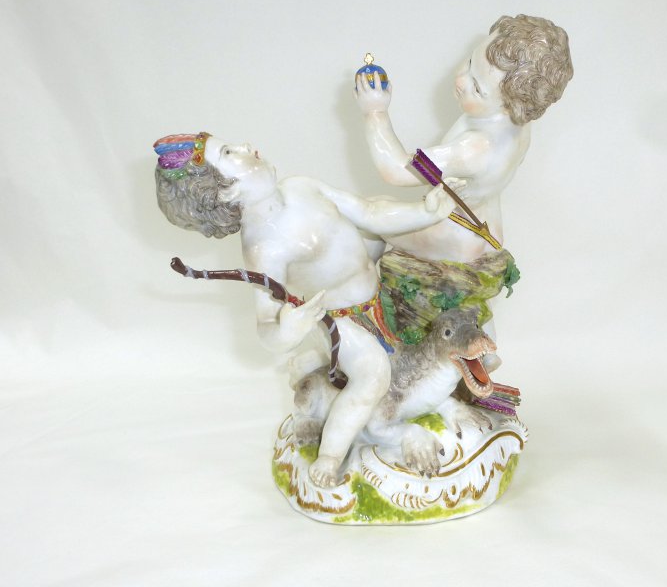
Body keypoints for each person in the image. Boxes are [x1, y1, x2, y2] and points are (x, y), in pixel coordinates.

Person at [154, 132, 460, 487]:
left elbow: (369, 212)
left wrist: (425, 211)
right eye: (229, 152)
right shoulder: (264, 249)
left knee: (390, 236)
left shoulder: (301, 186)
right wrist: (288, 329)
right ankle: (330, 455)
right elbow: (266, 325)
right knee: (373, 376)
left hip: (376, 283)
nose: (246, 145)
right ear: (226, 191)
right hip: (343, 320)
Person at [355, 14, 573, 263]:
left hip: (455, 234)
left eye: (477, 88)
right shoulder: (520, 126)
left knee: (370, 213)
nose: (460, 81)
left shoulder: (475, 147)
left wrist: (374, 112)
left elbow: (396, 170)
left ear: (511, 105)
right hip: (488, 229)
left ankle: (364, 283)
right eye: (470, 62)